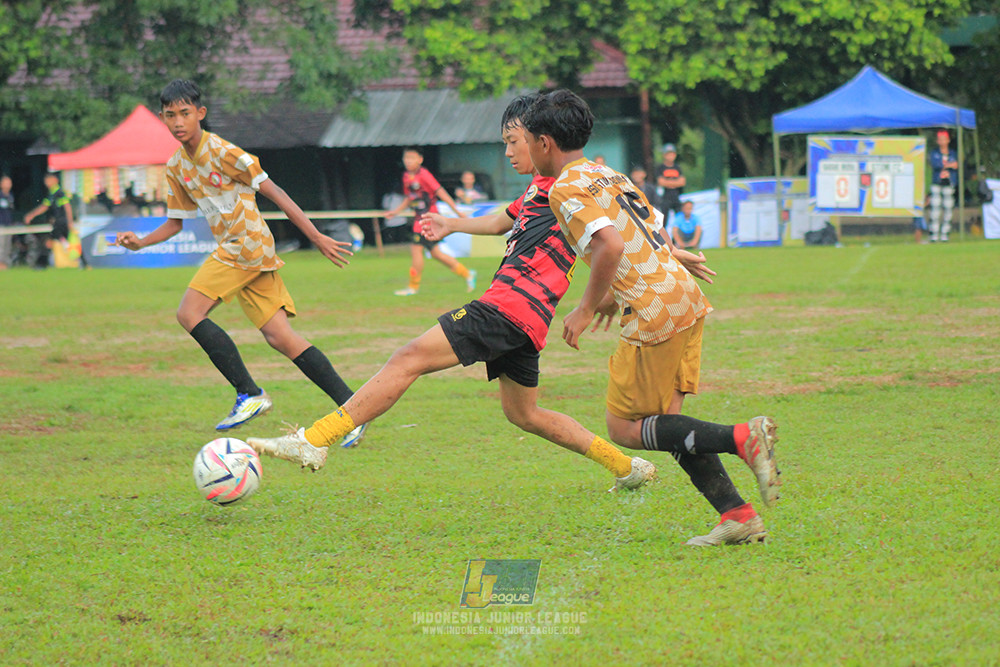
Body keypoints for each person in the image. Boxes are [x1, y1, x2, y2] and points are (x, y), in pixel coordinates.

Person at [247, 94, 656, 493]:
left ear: (540, 139)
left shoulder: (565, 189)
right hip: (524, 317)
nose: (511, 151)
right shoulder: (538, 188)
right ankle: (625, 466)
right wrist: (452, 224)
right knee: (524, 413)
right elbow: (500, 221)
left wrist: (653, 261)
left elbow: (612, 235)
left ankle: (315, 440)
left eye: (515, 142)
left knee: (408, 357)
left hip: (507, 309)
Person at [521, 89, 781, 546]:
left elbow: (610, 245)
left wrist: (583, 308)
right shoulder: (608, 172)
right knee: (666, 423)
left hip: (652, 307)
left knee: (624, 427)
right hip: (682, 292)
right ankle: (737, 515)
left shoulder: (563, 187)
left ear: (545, 143)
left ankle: (744, 436)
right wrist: (666, 260)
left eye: (524, 141)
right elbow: (648, 230)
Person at [115, 79, 366, 447]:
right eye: (170, 115)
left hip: (244, 245)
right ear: (162, 119)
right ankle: (354, 410)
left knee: (189, 313)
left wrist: (315, 236)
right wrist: (140, 242)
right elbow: (174, 222)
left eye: (185, 113)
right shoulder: (176, 166)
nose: (178, 122)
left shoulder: (225, 152)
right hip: (240, 250)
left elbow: (275, 191)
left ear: (201, 113)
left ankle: (249, 394)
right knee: (280, 337)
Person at [383, 147, 476, 296]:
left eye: (412, 158)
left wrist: (457, 212)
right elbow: (410, 198)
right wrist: (395, 212)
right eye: (406, 158)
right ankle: (468, 274)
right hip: (419, 219)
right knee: (436, 254)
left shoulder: (424, 175)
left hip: (429, 219)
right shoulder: (407, 176)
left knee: (416, 249)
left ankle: (413, 287)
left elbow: (441, 192)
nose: (408, 161)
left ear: (420, 159)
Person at [23, 172, 76, 269]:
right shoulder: (52, 194)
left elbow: (67, 206)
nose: (47, 183)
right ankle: (44, 264)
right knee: (51, 242)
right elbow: (45, 206)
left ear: (55, 180)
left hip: (62, 222)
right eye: (46, 181)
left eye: (49, 180)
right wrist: (31, 215)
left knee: (53, 241)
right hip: (58, 223)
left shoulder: (59, 192)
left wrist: (70, 221)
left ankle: (42, 264)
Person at [929, 130, 959, 242]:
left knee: (948, 209)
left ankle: (945, 234)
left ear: (948, 140)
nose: (942, 141)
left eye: (944, 139)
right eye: (940, 139)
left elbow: (956, 165)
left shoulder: (952, 153)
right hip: (937, 183)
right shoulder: (934, 153)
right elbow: (936, 164)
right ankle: (934, 235)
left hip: (949, 184)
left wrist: (949, 166)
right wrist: (949, 165)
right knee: (935, 210)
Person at [655, 143, 685, 215]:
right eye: (668, 154)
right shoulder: (660, 167)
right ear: (664, 155)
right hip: (665, 196)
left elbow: (682, 182)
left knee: (680, 216)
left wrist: (668, 182)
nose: (670, 156)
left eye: (672, 154)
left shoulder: (677, 167)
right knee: (663, 218)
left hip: (676, 195)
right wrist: (675, 183)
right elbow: (661, 182)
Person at [0, 175, 14, 270]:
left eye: (9, 183)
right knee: (1, 245)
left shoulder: (10, 196)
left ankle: (4, 264)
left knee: (7, 246)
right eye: (6, 182)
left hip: (8, 225)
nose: (8, 185)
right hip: (1, 225)